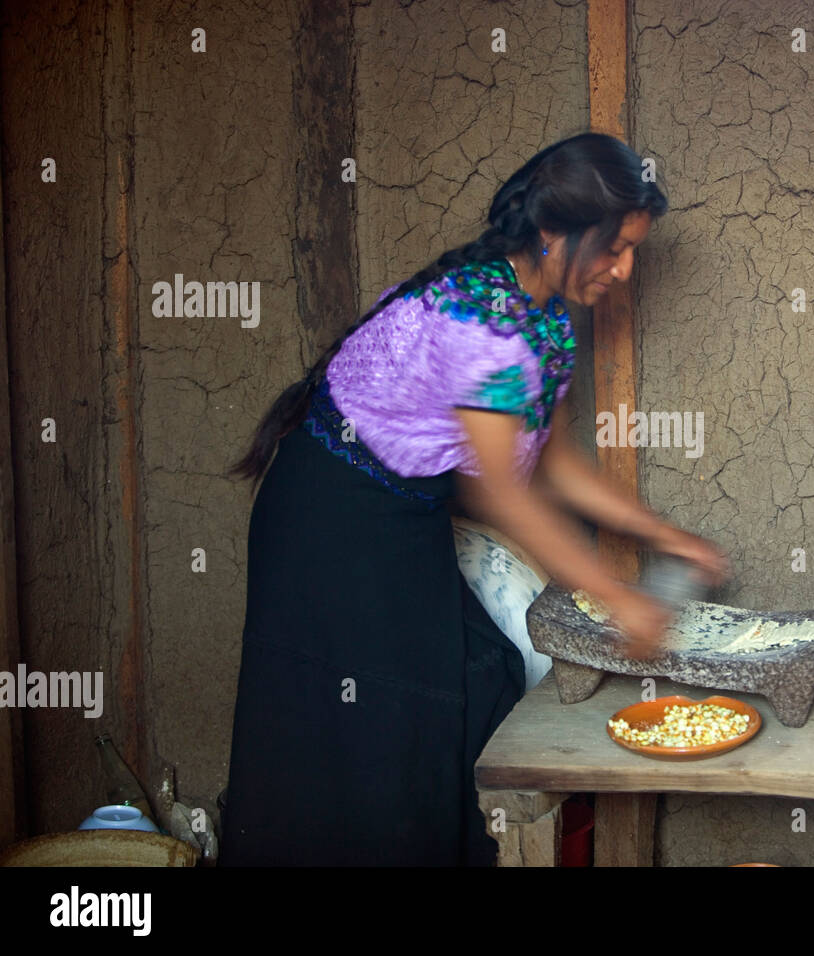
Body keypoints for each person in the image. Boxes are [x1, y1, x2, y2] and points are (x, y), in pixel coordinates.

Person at [219, 132, 729, 866]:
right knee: (359, 728)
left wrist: (665, 536)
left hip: (400, 516)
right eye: (615, 248)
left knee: (461, 685)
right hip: (331, 525)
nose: (624, 269)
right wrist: (620, 600)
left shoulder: (543, 320)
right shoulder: (486, 326)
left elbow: (552, 466)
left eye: (633, 251)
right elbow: (505, 499)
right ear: (554, 233)